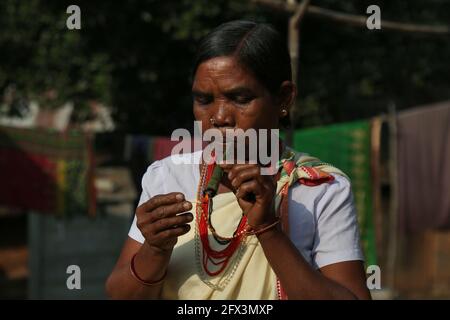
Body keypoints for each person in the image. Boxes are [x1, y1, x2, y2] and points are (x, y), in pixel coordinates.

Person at [105, 20, 371, 300]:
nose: (220, 118)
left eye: (240, 98)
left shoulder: (318, 187)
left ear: (283, 98)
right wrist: (155, 249)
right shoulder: (168, 176)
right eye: (204, 100)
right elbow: (120, 295)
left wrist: (269, 229)